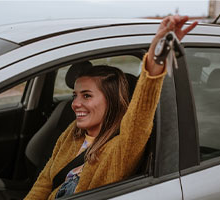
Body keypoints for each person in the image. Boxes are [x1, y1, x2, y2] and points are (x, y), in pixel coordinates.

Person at [24, 15, 198, 200]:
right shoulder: (71, 133)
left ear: (111, 101)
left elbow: (139, 118)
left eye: (87, 96)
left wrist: (155, 59)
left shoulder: (121, 149)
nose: (75, 104)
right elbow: (44, 183)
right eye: (75, 95)